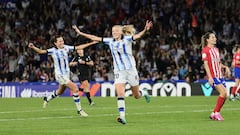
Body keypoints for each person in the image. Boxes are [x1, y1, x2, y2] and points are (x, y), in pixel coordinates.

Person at [72, 20, 152, 124]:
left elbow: (137, 36)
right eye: (113, 31)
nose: (114, 32)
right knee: (120, 93)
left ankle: (144, 92)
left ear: (121, 32)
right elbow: (94, 37)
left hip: (131, 70)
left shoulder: (127, 40)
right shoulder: (110, 41)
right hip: (119, 72)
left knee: (136, 95)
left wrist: (145, 29)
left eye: (116, 31)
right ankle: (122, 116)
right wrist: (80, 33)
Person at [28, 35, 97, 117]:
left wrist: (91, 43)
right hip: (60, 74)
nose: (62, 42)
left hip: (66, 74)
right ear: (55, 43)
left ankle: (47, 98)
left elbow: (78, 47)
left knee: (60, 91)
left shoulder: (66, 48)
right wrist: (33, 47)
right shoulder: (53, 50)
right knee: (75, 88)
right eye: (60, 41)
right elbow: (41, 52)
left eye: (62, 40)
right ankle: (80, 110)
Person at [201, 31, 230, 121]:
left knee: (225, 95)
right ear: (207, 40)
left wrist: (225, 67)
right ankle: (217, 113)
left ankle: (214, 113)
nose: (215, 39)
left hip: (220, 76)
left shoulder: (216, 50)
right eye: (212, 37)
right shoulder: (205, 50)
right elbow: (206, 64)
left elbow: (218, 63)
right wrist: (209, 77)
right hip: (213, 76)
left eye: (215, 37)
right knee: (223, 93)